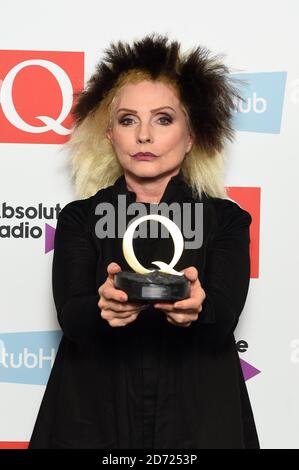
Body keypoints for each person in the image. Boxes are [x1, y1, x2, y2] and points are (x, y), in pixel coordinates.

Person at [28, 33, 259, 449]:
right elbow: (73, 316)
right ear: (109, 135)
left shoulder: (226, 220)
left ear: (192, 137)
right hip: (93, 414)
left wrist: (197, 310)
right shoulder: (80, 219)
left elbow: (223, 318)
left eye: (164, 119)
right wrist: (104, 309)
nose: (144, 136)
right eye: (128, 119)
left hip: (199, 416)